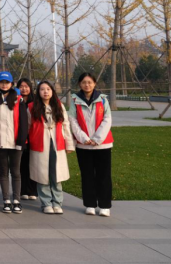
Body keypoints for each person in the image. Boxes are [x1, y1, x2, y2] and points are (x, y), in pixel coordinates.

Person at [68, 72, 113, 217]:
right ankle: (90, 204)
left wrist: (97, 138)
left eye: (89, 82)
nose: (87, 85)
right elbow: (72, 120)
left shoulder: (103, 99)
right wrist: (84, 138)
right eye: (84, 82)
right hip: (84, 145)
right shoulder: (75, 100)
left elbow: (107, 119)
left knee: (103, 175)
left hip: (102, 144)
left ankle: (105, 206)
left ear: (94, 84)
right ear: (79, 84)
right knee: (87, 175)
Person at [30, 81, 75, 214]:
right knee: (42, 175)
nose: (45, 92)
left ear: (52, 91)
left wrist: (69, 144)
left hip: (56, 143)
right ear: (38, 92)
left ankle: (57, 202)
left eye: (48, 89)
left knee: (56, 174)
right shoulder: (32, 107)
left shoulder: (58, 105)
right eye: (42, 89)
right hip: (40, 143)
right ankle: (46, 203)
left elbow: (66, 124)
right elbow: (28, 126)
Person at [0, 72, 28, 214]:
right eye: (1, 82)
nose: (4, 84)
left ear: (11, 84)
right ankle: (6, 201)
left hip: (15, 141)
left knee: (16, 172)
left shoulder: (18, 99)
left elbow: (24, 122)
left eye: (7, 82)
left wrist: (21, 141)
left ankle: (16, 201)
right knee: (3, 172)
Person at [17, 78, 39, 201]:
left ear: (30, 87)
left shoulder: (35, 101)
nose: (24, 89)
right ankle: (23, 190)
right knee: (21, 164)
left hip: (33, 136)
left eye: (26, 86)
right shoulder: (16, 100)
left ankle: (32, 190)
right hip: (20, 137)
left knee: (33, 164)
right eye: (21, 86)